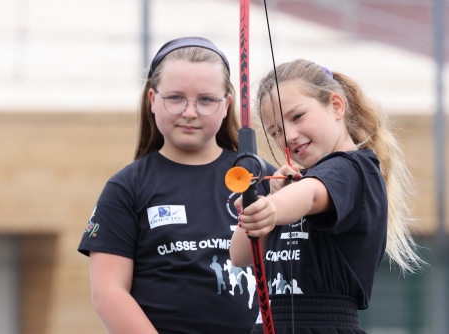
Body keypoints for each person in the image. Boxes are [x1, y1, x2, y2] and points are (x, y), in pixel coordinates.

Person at [78, 37, 276, 334]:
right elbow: (108, 293)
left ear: (227, 106)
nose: (190, 112)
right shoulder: (127, 187)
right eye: (175, 97)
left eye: (207, 100)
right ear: (152, 101)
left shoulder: (263, 179)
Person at [229, 59, 424, 333]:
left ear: (336, 105)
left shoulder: (353, 168)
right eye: (276, 132)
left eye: (297, 117)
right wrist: (264, 209)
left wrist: (272, 207)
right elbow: (239, 256)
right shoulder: (294, 187)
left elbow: (310, 195)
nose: (289, 136)